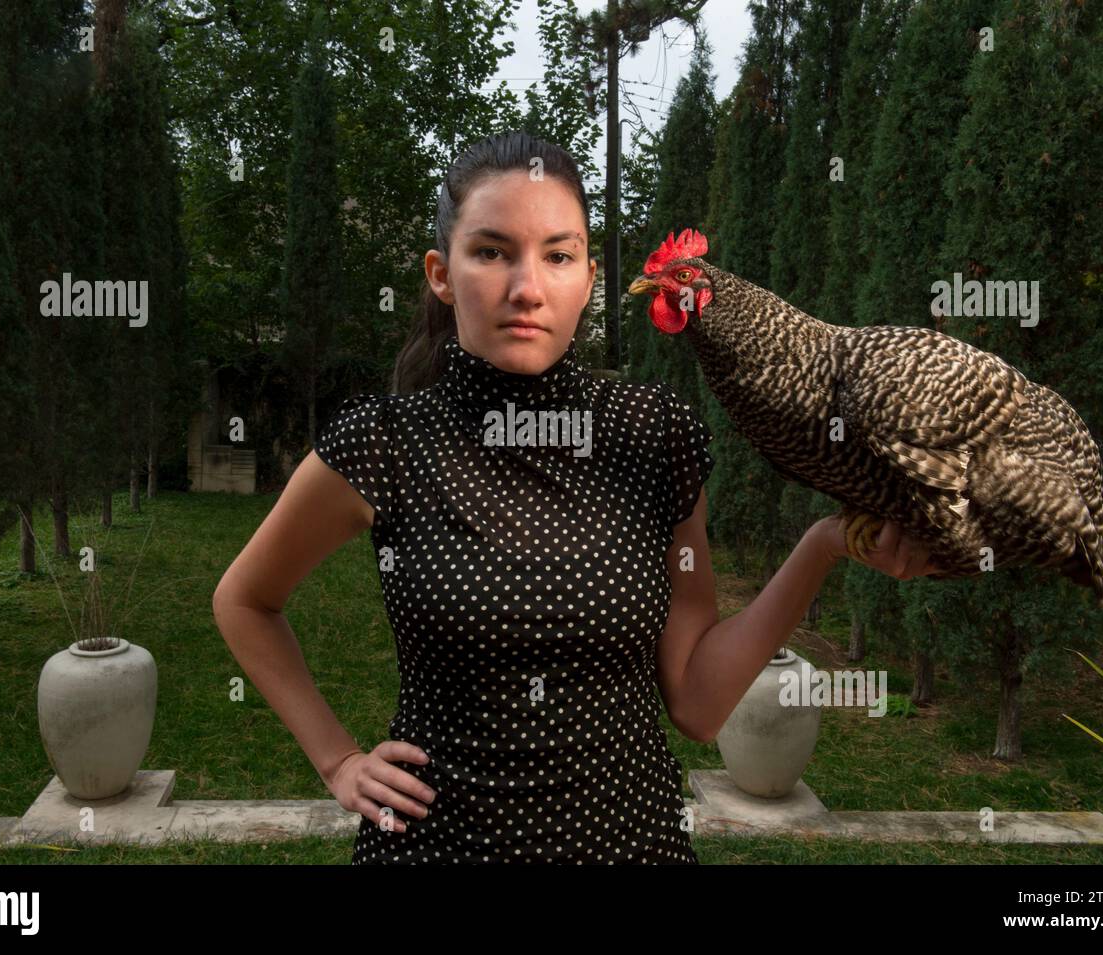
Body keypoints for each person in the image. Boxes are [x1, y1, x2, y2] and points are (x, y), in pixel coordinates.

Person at [212, 130, 941, 864]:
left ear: (590, 277)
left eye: (558, 256)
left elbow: (696, 701)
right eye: (492, 251)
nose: (526, 287)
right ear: (440, 273)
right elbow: (244, 599)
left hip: (631, 846)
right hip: (436, 847)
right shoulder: (385, 444)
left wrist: (821, 546)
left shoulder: (655, 437)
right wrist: (337, 758)